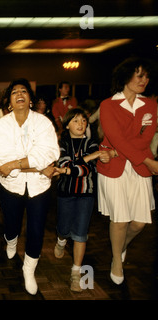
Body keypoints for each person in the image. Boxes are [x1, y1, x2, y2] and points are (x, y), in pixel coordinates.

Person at [0, 78, 60, 295]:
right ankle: (11, 242)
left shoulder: (43, 123)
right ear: (9, 102)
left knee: (36, 230)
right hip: (11, 186)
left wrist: (15, 164)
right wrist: (40, 167)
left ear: (30, 99)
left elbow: (49, 154)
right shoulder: (0, 126)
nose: (20, 94)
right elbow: (3, 163)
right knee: (11, 225)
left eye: (24, 91)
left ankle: (29, 270)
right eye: (14, 92)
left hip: (39, 187)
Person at [97, 57, 157, 285]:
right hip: (114, 169)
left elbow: (146, 138)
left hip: (138, 168)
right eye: (139, 75)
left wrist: (133, 154)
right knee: (120, 220)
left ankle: (120, 247)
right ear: (125, 77)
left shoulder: (150, 105)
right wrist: (150, 162)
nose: (144, 80)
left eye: (147, 76)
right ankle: (116, 261)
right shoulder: (108, 105)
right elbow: (116, 139)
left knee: (139, 223)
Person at [52, 108, 109, 292]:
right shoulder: (62, 142)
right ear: (67, 124)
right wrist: (88, 159)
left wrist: (70, 169)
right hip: (66, 193)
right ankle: (61, 240)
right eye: (76, 121)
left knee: (80, 234)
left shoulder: (92, 142)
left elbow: (89, 169)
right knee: (63, 228)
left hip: (86, 193)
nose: (81, 124)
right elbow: (64, 163)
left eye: (84, 121)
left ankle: (75, 273)